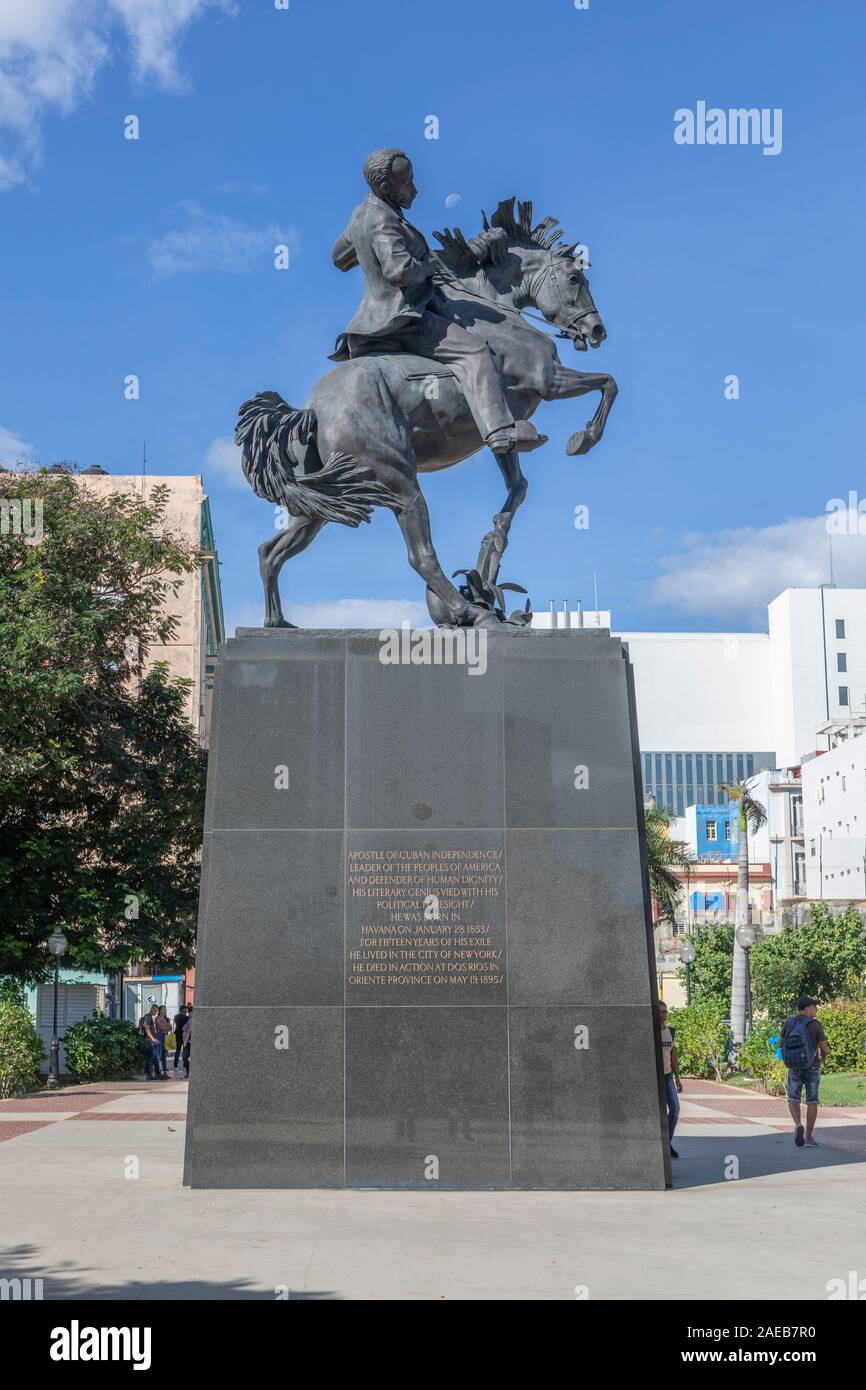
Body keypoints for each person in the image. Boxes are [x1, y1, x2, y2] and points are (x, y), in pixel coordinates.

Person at [330, 148, 546, 459]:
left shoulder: (361, 214)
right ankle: (500, 431)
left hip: (368, 319)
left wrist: (364, 245)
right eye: (407, 183)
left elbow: (339, 258)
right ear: (387, 189)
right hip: (403, 319)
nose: (415, 189)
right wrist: (427, 266)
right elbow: (399, 271)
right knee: (475, 352)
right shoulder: (383, 221)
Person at [780, 997, 829, 1148]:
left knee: (793, 1098)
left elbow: (781, 1044)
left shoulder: (789, 1023)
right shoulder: (815, 1025)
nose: (816, 1010)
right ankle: (808, 1138)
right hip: (812, 1067)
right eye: (815, 1007)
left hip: (794, 1067)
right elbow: (824, 1048)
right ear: (807, 1008)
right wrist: (822, 1059)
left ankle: (797, 1124)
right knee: (812, 1101)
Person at [659, 1001, 683, 1158]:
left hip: (667, 1075)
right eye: (660, 1011)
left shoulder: (670, 1032)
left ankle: (667, 1142)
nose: (663, 1014)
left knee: (675, 1108)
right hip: (654, 1076)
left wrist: (677, 1077)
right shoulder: (650, 1031)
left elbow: (673, 1055)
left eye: (665, 1011)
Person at [139, 1004, 160, 1081]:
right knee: (152, 1057)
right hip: (149, 1041)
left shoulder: (150, 1017)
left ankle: (152, 1074)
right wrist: (153, 1039)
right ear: (151, 1009)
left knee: (151, 1058)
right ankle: (150, 1074)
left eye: (156, 1011)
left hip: (149, 1040)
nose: (155, 1012)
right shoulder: (148, 1017)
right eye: (155, 1010)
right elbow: (146, 1028)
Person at [154, 1005, 171, 1077]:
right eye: (163, 1009)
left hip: (166, 1037)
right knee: (158, 1055)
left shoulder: (167, 1019)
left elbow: (170, 1028)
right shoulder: (157, 1018)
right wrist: (166, 1028)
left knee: (164, 1055)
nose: (164, 1011)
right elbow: (161, 1027)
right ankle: (157, 1073)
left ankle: (165, 1072)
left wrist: (165, 1028)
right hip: (159, 1037)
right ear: (159, 1011)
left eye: (165, 1009)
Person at [172, 1004, 188, 1070]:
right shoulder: (186, 1018)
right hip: (184, 1035)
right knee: (185, 1051)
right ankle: (185, 1065)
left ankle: (175, 1065)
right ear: (183, 1009)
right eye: (186, 1009)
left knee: (177, 1051)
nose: (187, 1010)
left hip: (177, 1035)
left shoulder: (176, 1016)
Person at [181, 1009, 192, 1079]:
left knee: (184, 1057)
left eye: (189, 1012)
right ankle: (188, 1073)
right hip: (188, 1042)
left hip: (188, 1042)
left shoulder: (191, 1020)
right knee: (185, 1058)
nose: (188, 1014)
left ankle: (189, 1073)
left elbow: (189, 1031)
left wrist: (185, 1042)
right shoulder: (190, 1019)